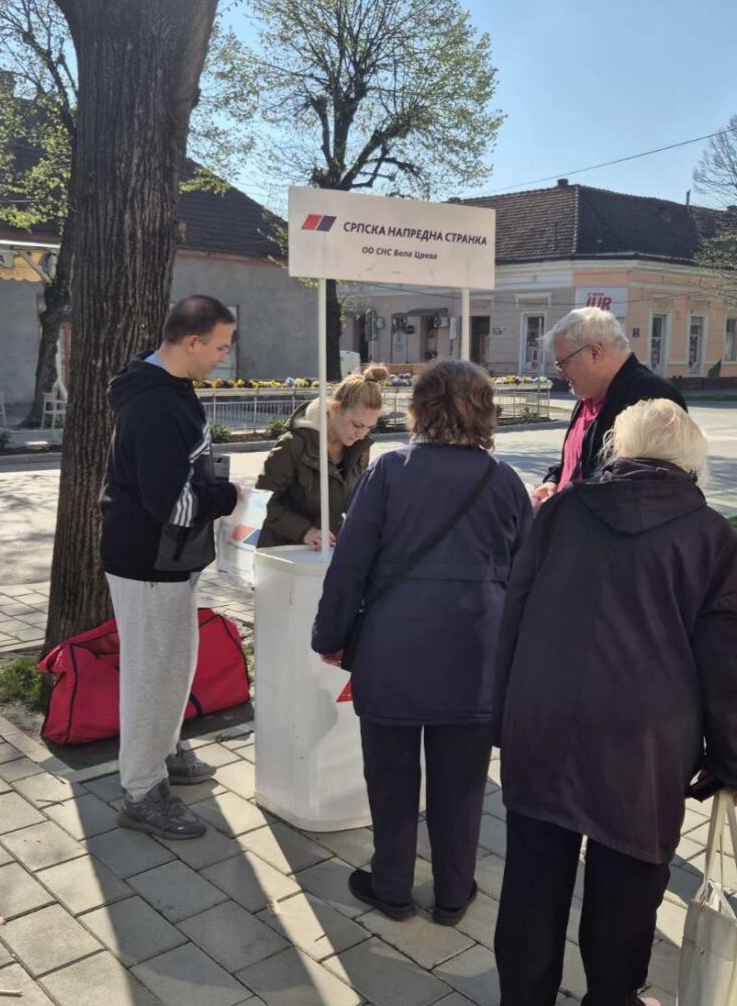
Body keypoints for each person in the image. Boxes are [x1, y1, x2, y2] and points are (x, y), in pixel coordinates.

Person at [493, 398, 737, 1006]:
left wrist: (503, 714)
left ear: (619, 448)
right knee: (628, 889)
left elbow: (514, 614)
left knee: (532, 882)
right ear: (691, 458)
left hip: (545, 721)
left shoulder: (561, 511)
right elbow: (727, 659)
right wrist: (731, 759)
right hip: (643, 742)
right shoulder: (710, 535)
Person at [312, 360, 532, 926]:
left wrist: (330, 636)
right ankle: (454, 893)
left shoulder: (389, 472)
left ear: (419, 409)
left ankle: (392, 886)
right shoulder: (505, 481)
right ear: (485, 412)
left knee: (390, 777)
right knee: (462, 785)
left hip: (393, 653)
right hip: (474, 657)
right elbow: (526, 578)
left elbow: (350, 566)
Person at [100, 295, 241, 839]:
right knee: (152, 673)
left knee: (175, 664)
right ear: (193, 342)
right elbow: (172, 506)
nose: (223, 358)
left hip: (168, 559)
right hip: (147, 559)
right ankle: (141, 790)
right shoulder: (156, 405)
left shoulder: (169, 386)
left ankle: (164, 749)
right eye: (221, 347)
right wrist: (226, 496)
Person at [536, 307, 688, 508]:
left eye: (563, 363)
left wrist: (569, 506)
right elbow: (580, 462)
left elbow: (648, 491)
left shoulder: (651, 398)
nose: (560, 374)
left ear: (595, 352)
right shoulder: (589, 393)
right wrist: (554, 480)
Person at [256, 365, 388, 550]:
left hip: (328, 550)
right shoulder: (293, 445)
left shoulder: (360, 449)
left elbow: (354, 502)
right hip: (285, 552)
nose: (362, 434)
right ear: (335, 409)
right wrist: (305, 531)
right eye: (357, 425)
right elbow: (261, 501)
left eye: (369, 427)